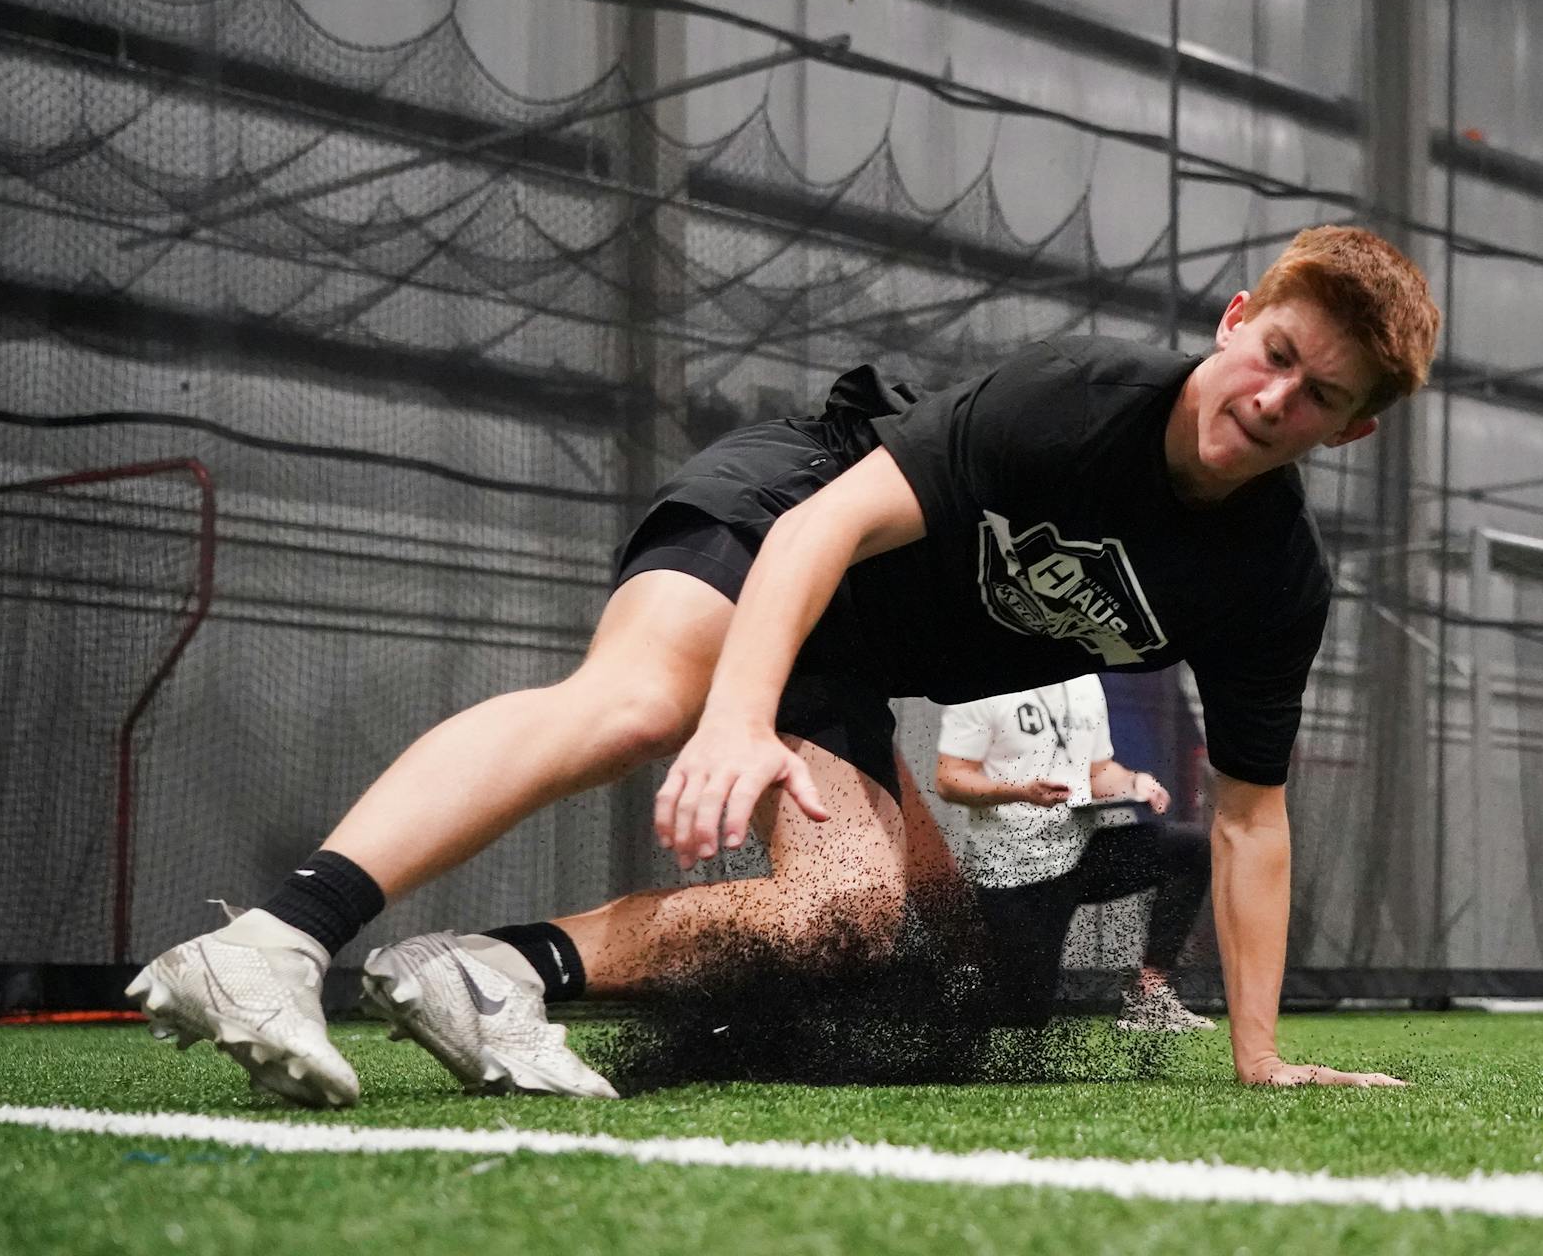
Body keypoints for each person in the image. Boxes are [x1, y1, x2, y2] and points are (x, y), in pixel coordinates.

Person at [127, 225, 1440, 1105]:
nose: (1275, 400)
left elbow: (1256, 823)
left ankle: (492, 973)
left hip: (856, 649)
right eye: (1275, 356)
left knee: (878, 926)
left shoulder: (1273, 583)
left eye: (1320, 396)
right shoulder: (1077, 403)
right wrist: (735, 720)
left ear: (1355, 429)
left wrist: (1261, 1055)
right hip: (797, 511)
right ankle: (281, 942)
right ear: (1237, 321)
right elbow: (822, 531)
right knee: (639, 700)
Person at [931, 676, 1215, 1033]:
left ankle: (1150, 995)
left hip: (1078, 854)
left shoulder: (1084, 681)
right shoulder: (982, 680)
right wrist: (1020, 791)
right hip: (1011, 869)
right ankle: (954, 992)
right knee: (1023, 1016)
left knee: (1190, 849)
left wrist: (1134, 782)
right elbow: (950, 778)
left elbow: (1099, 771)